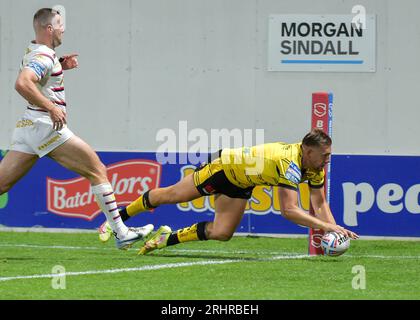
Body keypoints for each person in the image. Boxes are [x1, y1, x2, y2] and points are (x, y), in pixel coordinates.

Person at [0, 8, 153, 249]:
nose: (63, 29)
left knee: (1, 185)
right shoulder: (44, 57)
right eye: (60, 24)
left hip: (29, 127)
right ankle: (122, 233)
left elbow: (36, 76)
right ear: (49, 29)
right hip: (46, 127)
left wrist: (60, 66)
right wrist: (51, 107)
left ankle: (122, 232)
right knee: (97, 170)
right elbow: (22, 83)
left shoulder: (39, 53)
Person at [98, 129, 359, 254]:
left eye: (328, 156)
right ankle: (118, 219)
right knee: (171, 196)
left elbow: (320, 202)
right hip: (222, 168)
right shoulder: (289, 162)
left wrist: (335, 230)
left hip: (241, 182)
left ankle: (165, 239)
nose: (327, 160)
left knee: (222, 233)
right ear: (308, 151)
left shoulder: (316, 168)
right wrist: (326, 228)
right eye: (324, 155)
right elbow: (289, 210)